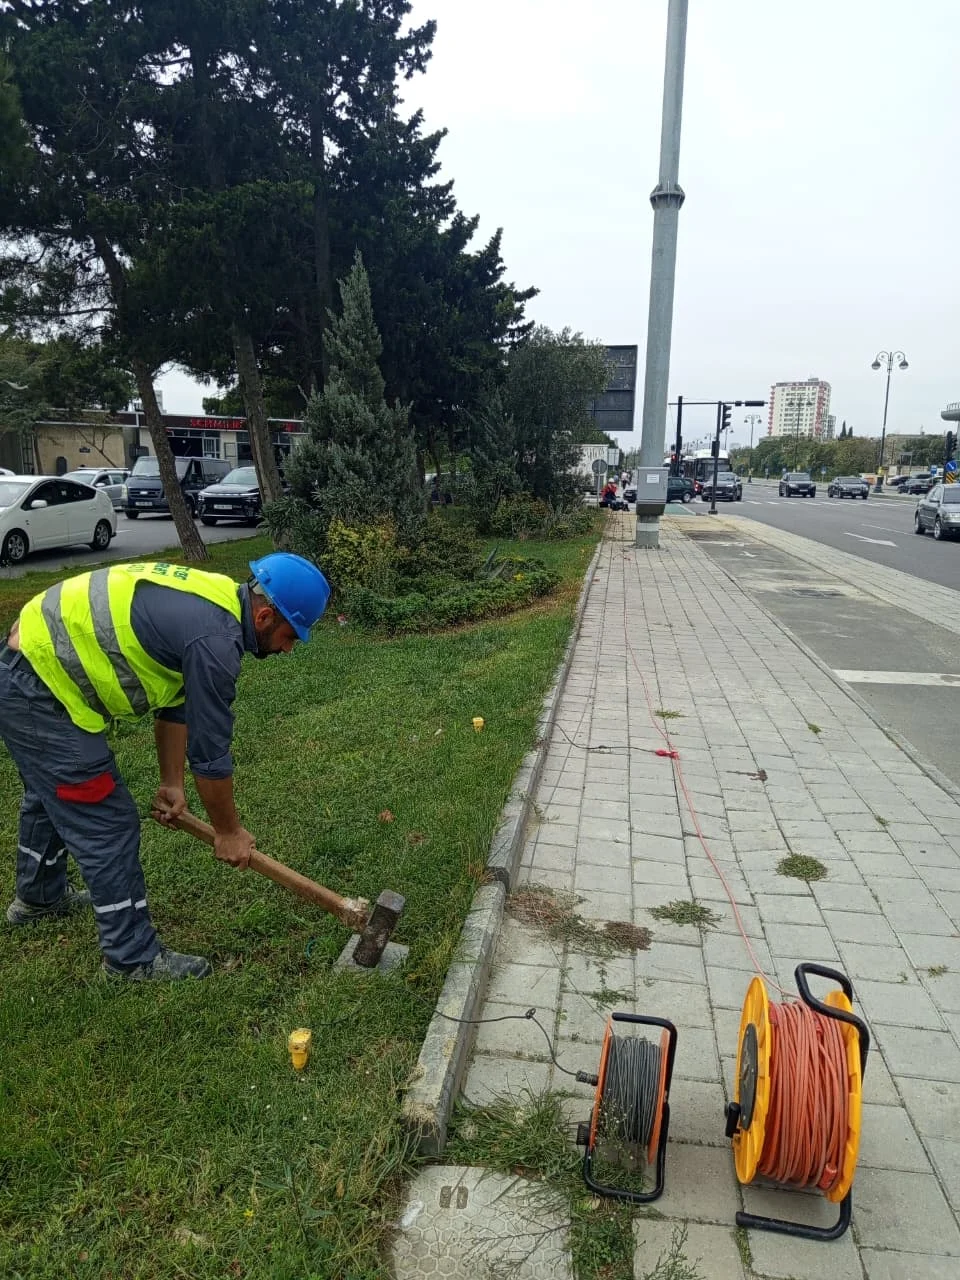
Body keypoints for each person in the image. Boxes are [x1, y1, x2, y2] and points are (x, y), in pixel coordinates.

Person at [0, 552, 330, 982]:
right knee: (107, 821)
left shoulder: (216, 600)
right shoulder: (214, 643)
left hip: (28, 668)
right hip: (38, 688)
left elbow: (178, 705)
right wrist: (228, 832)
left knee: (52, 795)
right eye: (291, 636)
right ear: (265, 616)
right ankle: (131, 959)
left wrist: (171, 782)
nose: (289, 648)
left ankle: (39, 898)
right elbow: (211, 758)